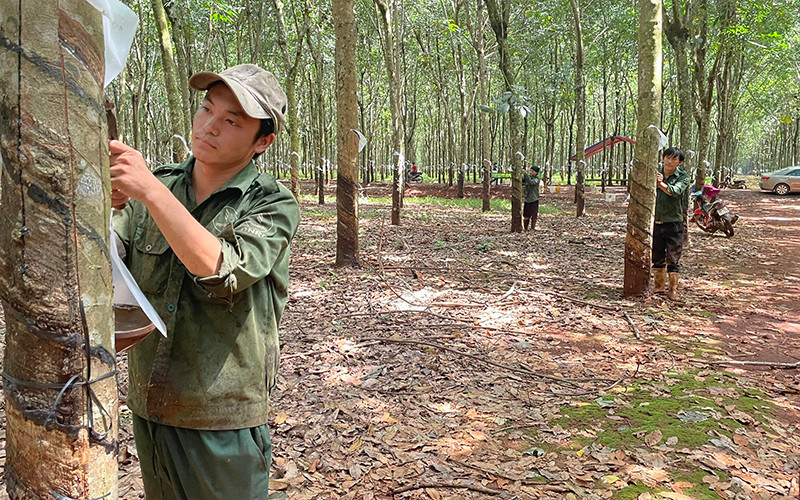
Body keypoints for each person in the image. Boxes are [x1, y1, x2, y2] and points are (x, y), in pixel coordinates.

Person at [110, 64, 300, 499]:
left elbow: (224, 270)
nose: (209, 127)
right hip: (150, 403)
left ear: (263, 141)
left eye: (232, 121)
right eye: (207, 109)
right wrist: (106, 199)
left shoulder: (272, 203)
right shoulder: (160, 184)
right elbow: (109, 253)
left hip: (221, 417)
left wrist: (150, 193)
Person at [653, 147, 690, 300]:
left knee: (673, 258)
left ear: (679, 162)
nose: (669, 161)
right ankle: (658, 288)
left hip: (674, 223)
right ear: (663, 158)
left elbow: (675, 191)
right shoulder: (654, 172)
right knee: (657, 257)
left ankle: (673, 290)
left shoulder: (683, 176)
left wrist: (660, 183)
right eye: (667, 157)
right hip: (655, 221)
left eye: (674, 159)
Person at [522, 165, 541, 231]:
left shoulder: (537, 179)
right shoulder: (527, 178)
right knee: (526, 215)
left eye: (532, 171)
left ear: (536, 173)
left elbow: (531, 182)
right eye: (530, 171)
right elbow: (521, 181)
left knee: (534, 215)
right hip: (527, 200)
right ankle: (525, 228)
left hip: (534, 200)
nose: (530, 172)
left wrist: (525, 174)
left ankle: (532, 228)